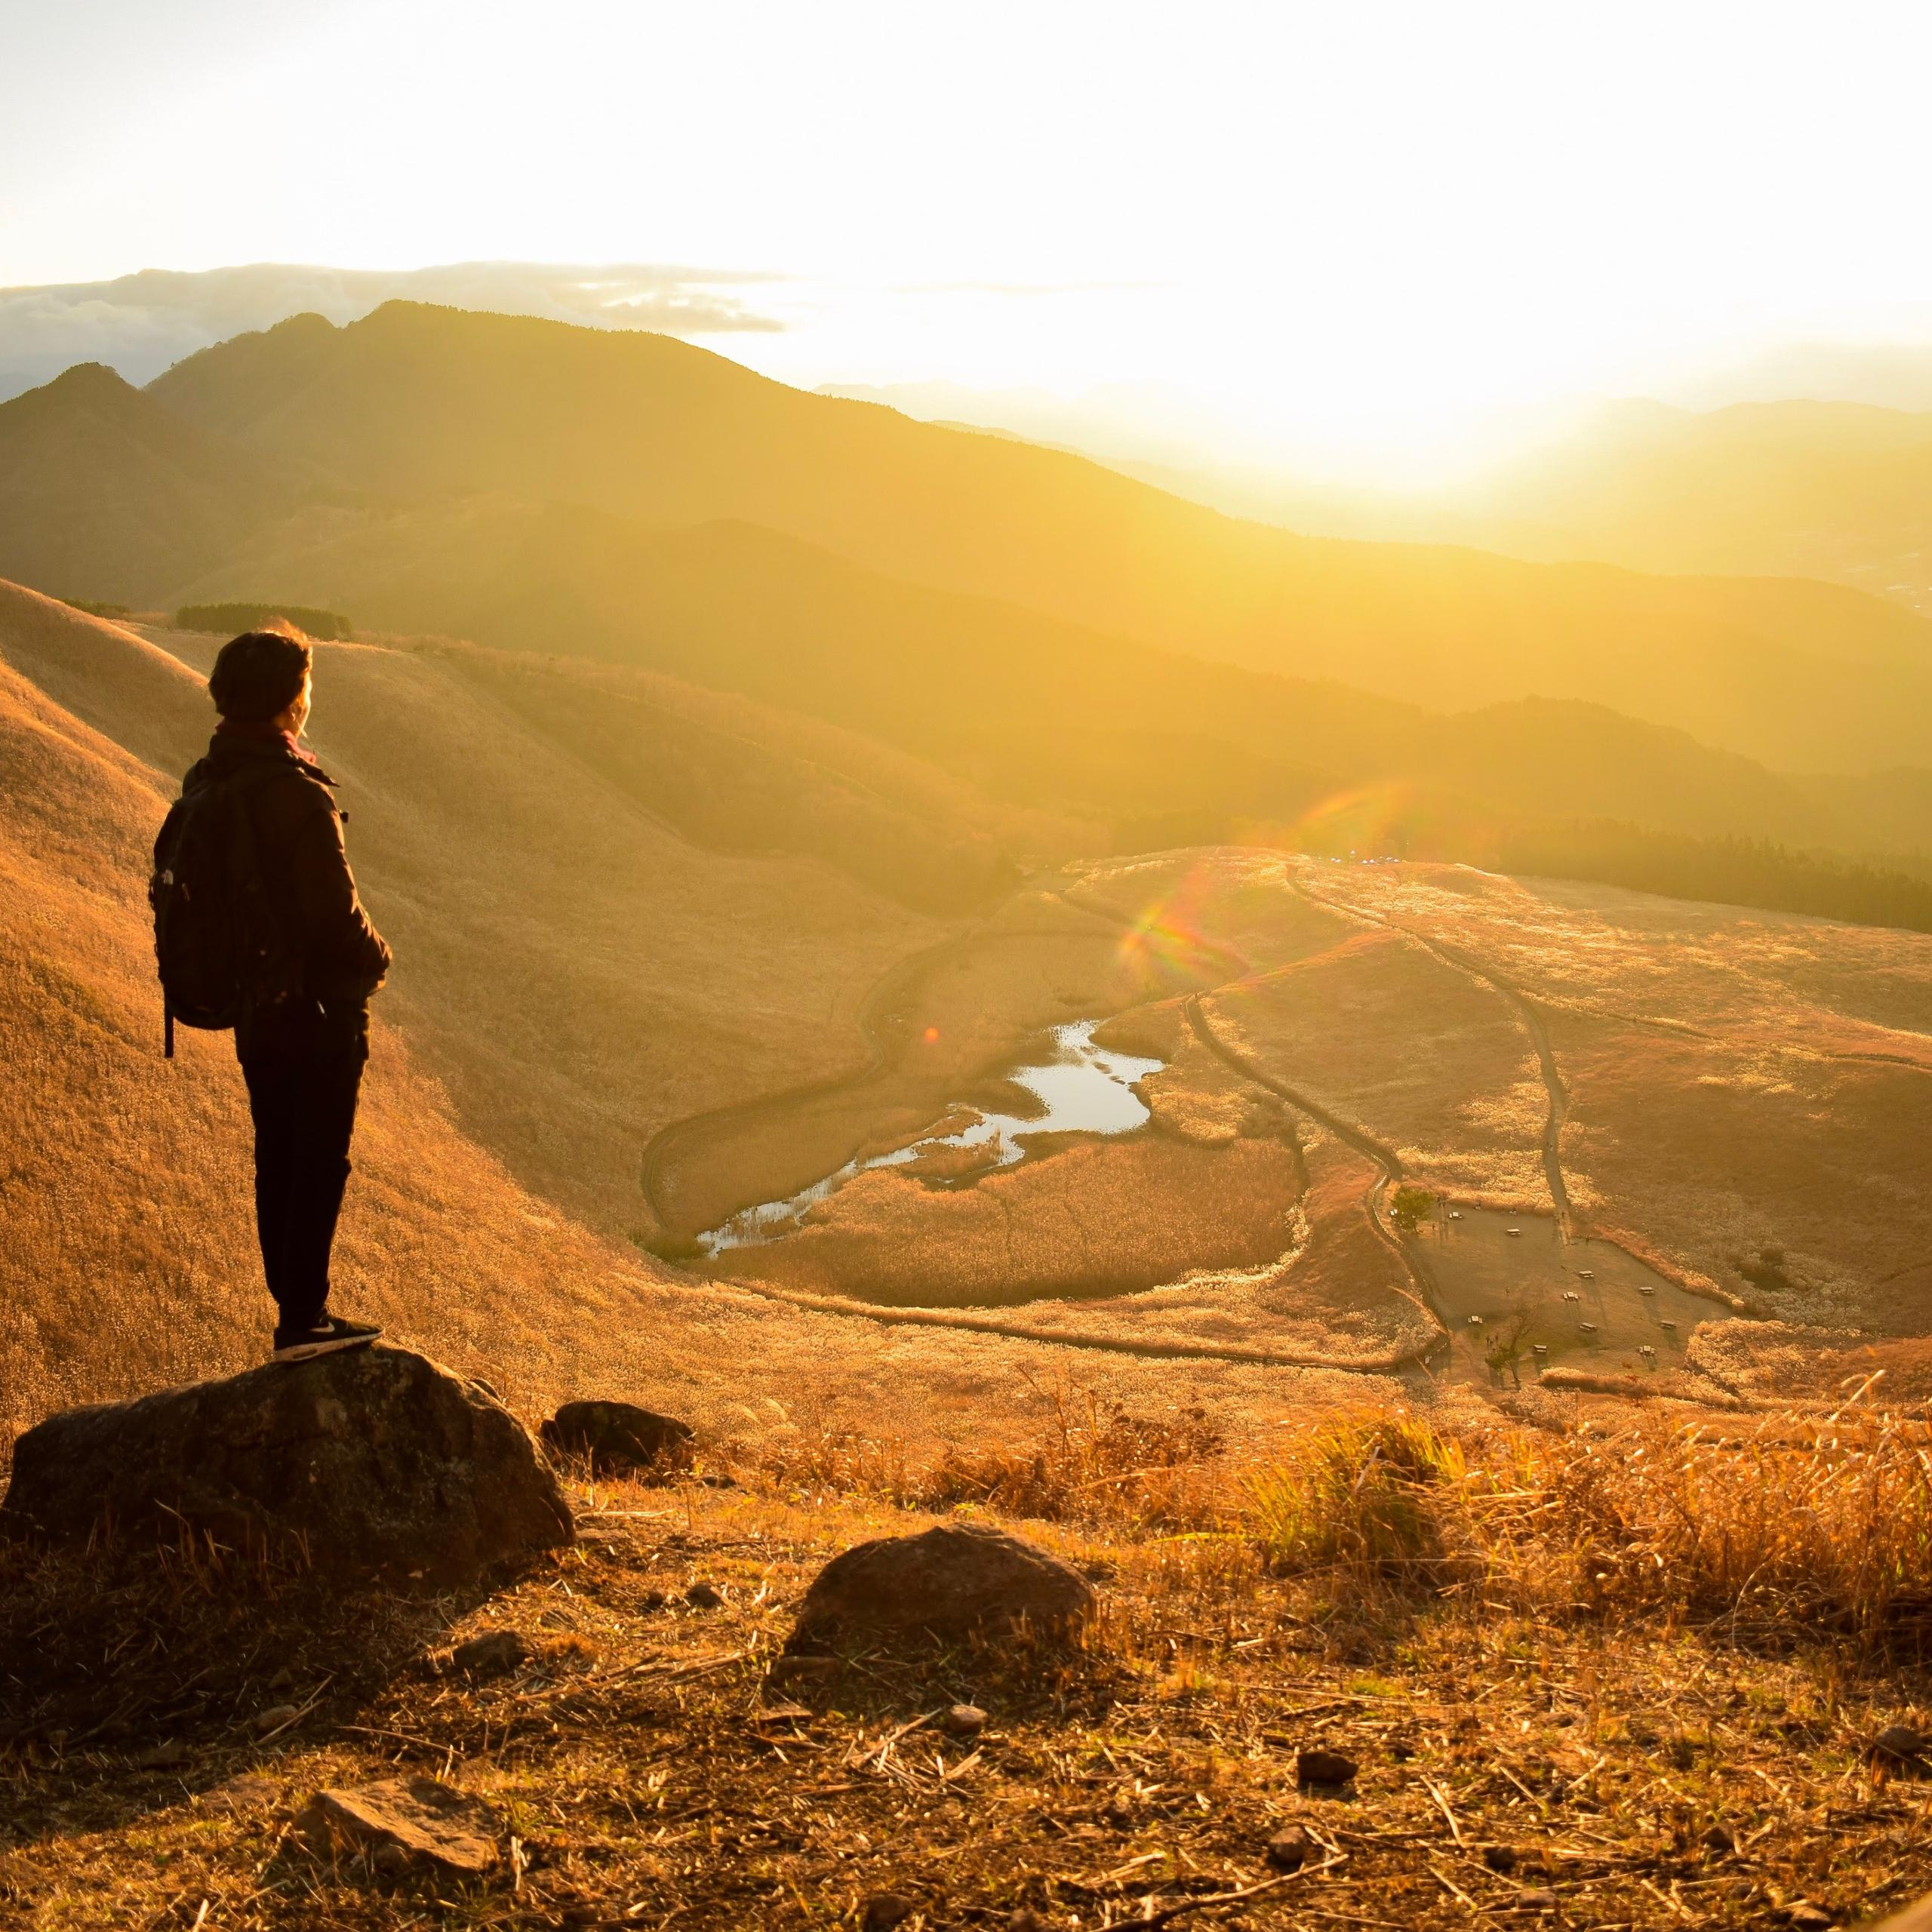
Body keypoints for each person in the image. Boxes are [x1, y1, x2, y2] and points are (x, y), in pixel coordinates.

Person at [183, 627, 392, 1361]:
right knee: (320, 1158)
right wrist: (379, 957)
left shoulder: (210, 780)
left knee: (278, 1152)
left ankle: (295, 1310)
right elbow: (334, 912)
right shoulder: (294, 793)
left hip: (255, 1010)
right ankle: (303, 1319)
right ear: (290, 701)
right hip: (320, 1011)